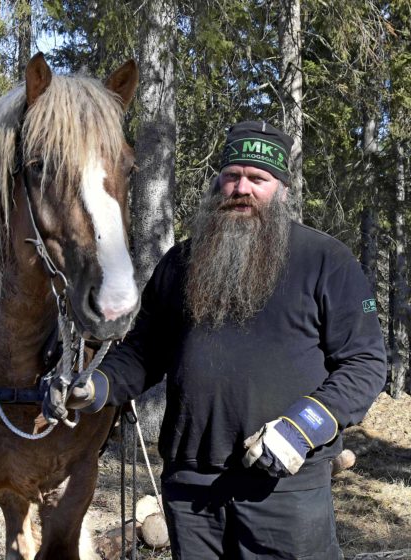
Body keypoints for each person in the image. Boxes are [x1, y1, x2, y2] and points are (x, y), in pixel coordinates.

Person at [43, 120, 387, 559]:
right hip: (190, 486)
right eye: (232, 175)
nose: (242, 188)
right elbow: (145, 351)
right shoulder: (181, 262)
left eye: (258, 179)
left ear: (281, 189)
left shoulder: (327, 262)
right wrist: (97, 385)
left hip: (281, 484)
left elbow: (365, 364)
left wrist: (302, 428)